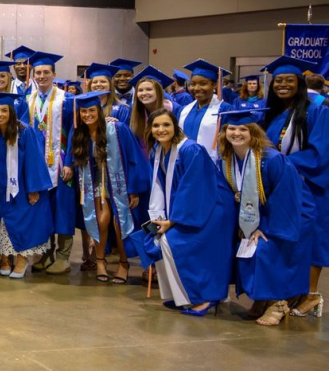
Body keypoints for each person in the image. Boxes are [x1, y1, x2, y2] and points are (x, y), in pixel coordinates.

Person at [213, 108, 312, 324]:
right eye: (231, 128)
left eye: (243, 129)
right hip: (253, 217)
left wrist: (263, 227)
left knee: (264, 248)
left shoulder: (272, 159)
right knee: (234, 244)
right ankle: (262, 297)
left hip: (289, 218)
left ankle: (278, 302)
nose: (236, 133)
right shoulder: (227, 159)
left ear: (254, 132)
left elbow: (286, 199)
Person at [136, 109, 234, 316]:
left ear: (175, 127)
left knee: (174, 242)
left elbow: (195, 188)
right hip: (188, 208)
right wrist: (161, 217)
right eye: (156, 126)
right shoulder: (159, 150)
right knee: (158, 240)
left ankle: (204, 297)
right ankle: (183, 296)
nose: (161, 129)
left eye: (166, 125)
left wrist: (174, 221)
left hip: (210, 210)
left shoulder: (190, 150)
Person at [258, 56, 329, 319]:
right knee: (287, 238)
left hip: (308, 185)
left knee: (311, 238)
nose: (283, 85)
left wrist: (283, 165)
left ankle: (311, 293)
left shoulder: (317, 111)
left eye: (289, 80)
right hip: (280, 187)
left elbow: (320, 153)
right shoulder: (273, 114)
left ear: (299, 83)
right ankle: (294, 291)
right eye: (278, 81)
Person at [63, 91, 149, 284]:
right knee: (100, 222)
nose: (87, 115)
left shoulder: (117, 128)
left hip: (118, 183)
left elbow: (135, 158)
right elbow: (70, 152)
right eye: (83, 111)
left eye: (91, 110)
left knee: (120, 226)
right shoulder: (78, 131)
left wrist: (134, 189)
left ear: (99, 111)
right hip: (94, 182)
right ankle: (100, 261)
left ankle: (124, 264)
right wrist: (68, 164)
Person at [0, 93, 54, 278]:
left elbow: (34, 160)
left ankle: (22, 259)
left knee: (23, 223)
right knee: (3, 224)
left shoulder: (25, 131)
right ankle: (5, 258)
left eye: (4, 110)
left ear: (11, 112)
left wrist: (34, 189)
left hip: (21, 187)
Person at [22, 51, 77, 274]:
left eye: (46, 72)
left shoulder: (67, 99)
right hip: (38, 166)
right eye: (38, 73)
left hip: (61, 164)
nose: (42, 76)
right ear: (34, 75)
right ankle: (45, 253)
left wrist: (70, 162)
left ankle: (63, 257)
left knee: (62, 209)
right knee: (42, 210)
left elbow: (75, 132)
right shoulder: (28, 100)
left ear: (54, 74)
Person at [179, 59, 234, 158]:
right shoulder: (184, 110)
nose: (196, 88)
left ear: (214, 85)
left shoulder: (224, 110)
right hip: (185, 164)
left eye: (203, 84)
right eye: (192, 84)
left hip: (212, 166)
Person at [127, 66, 176, 147]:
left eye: (149, 89)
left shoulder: (174, 109)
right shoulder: (132, 110)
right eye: (140, 90)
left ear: (159, 91)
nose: (144, 93)